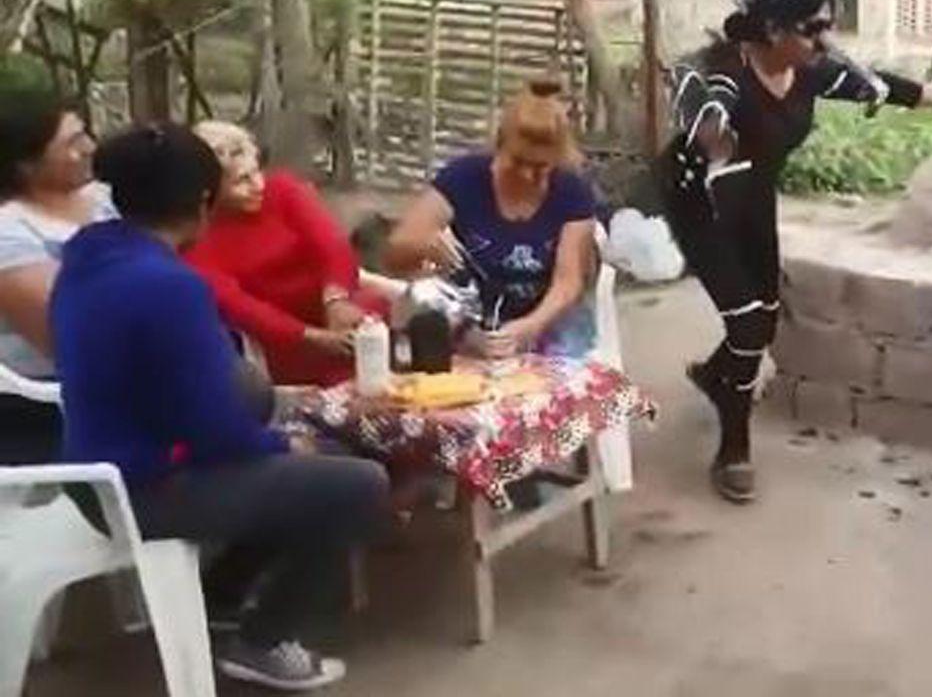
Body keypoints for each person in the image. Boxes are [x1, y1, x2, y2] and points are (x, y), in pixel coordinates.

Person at [52, 125, 388, 690]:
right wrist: (282, 445)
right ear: (204, 204)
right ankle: (264, 640)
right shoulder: (168, 285)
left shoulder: (87, 257)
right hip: (143, 487)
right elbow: (212, 433)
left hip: (90, 469)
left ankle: (220, 597)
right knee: (355, 482)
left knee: (261, 403)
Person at [659, 0, 932, 503]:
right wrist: (708, 129)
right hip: (700, 199)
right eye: (813, 29)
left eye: (829, 28)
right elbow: (695, 99)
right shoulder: (724, 75)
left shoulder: (810, 70)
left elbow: (901, 89)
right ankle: (734, 446)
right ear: (771, 29)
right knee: (747, 323)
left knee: (765, 313)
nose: (825, 41)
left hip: (751, 195)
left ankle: (719, 375)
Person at [385, 80, 597, 359]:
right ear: (500, 145)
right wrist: (426, 245)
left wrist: (528, 328)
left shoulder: (572, 191)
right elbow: (395, 251)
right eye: (518, 162)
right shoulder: (464, 178)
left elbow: (568, 283)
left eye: (539, 168)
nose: (525, 175)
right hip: (472, 318)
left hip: (547, 319)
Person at [185, 121, 384, 386]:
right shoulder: (198, 236)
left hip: (336, 305)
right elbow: (239, 307)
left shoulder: (283, 190)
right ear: (208, 191)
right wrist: (312, 336)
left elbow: (331, 244)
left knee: (373, 322)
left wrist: (335, 300)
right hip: (282, 337)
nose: (258, 185)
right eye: (241, 181)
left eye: (257, 172)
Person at [0, 87, 111, 465]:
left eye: (85, 135)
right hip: (53, 402)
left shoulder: (106, 199)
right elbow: (65, 334)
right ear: (25, 164)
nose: (90, 147)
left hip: (129, 368)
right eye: (72, 143)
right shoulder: (10, 232)